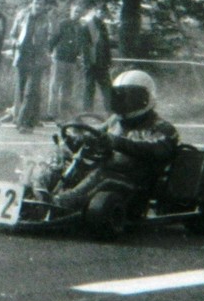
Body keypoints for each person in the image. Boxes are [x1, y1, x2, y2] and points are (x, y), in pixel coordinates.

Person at [48, 70, 179, 208]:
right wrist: (80, 139)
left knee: (102, 174)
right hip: (111, 175)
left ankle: (61, 203)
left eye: (131, 97)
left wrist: (115, 142)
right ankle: (36, 192)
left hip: (136, 184)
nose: (125, 102)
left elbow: (154, 150)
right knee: (62, 162)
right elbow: (97, 134)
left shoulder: (162, 128)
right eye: (121, 96)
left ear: (145, 98)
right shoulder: (116, 120)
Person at [8, 0, 51, 133]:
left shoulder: (47, 20)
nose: (38, 6)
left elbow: (51, 38)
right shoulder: (22, 15)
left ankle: (24, 123)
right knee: (21, 90)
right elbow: (13, 34)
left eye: (41, 4)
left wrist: (46, 50)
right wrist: (15, 43)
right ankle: (24, 119)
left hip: (37, 59)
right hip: (22, 57)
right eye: (36, 3)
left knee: (30, 91)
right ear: (32, 2)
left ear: (44, 6)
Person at [47, 3, 84, 122]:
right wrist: (50, 53)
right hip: (59, 58)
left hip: (71, 60)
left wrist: (78, 56)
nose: (77, 14)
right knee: (55, 86)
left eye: (79, 12)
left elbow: (79, 44)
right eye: (75, 11)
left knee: (67, 88)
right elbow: (53, 39)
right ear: (71, 11)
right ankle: (51, 113)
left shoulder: (80, 27)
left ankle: (64, 113)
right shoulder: (63, 24)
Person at [79, 6, 115, 113]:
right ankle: (87, 113)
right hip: (91, 63)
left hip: (102, 63)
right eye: (101, 12)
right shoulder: (87, 26)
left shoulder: (103, 26)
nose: (103, 14)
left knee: (107, 89)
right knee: (89, 88)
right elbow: (84, 46)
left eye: (104, 12)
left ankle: (110, 112)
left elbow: (106, 45)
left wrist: (108, 60)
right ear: (96, 12)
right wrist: (87, 62)